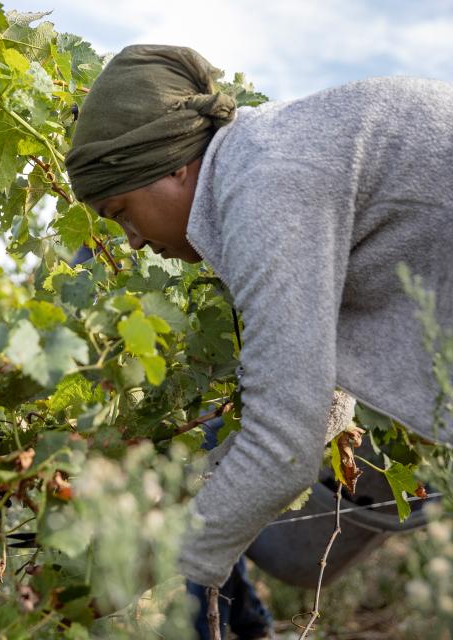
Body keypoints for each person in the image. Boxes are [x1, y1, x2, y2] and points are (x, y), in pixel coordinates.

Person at [65, 44, 453, 638]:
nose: (134, 241)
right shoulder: (263, 161)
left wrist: (122, 574)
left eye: (121, 211)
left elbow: (282, 446)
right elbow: (323, 399)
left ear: (174, 164)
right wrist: (202, 486)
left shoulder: (263, 185)